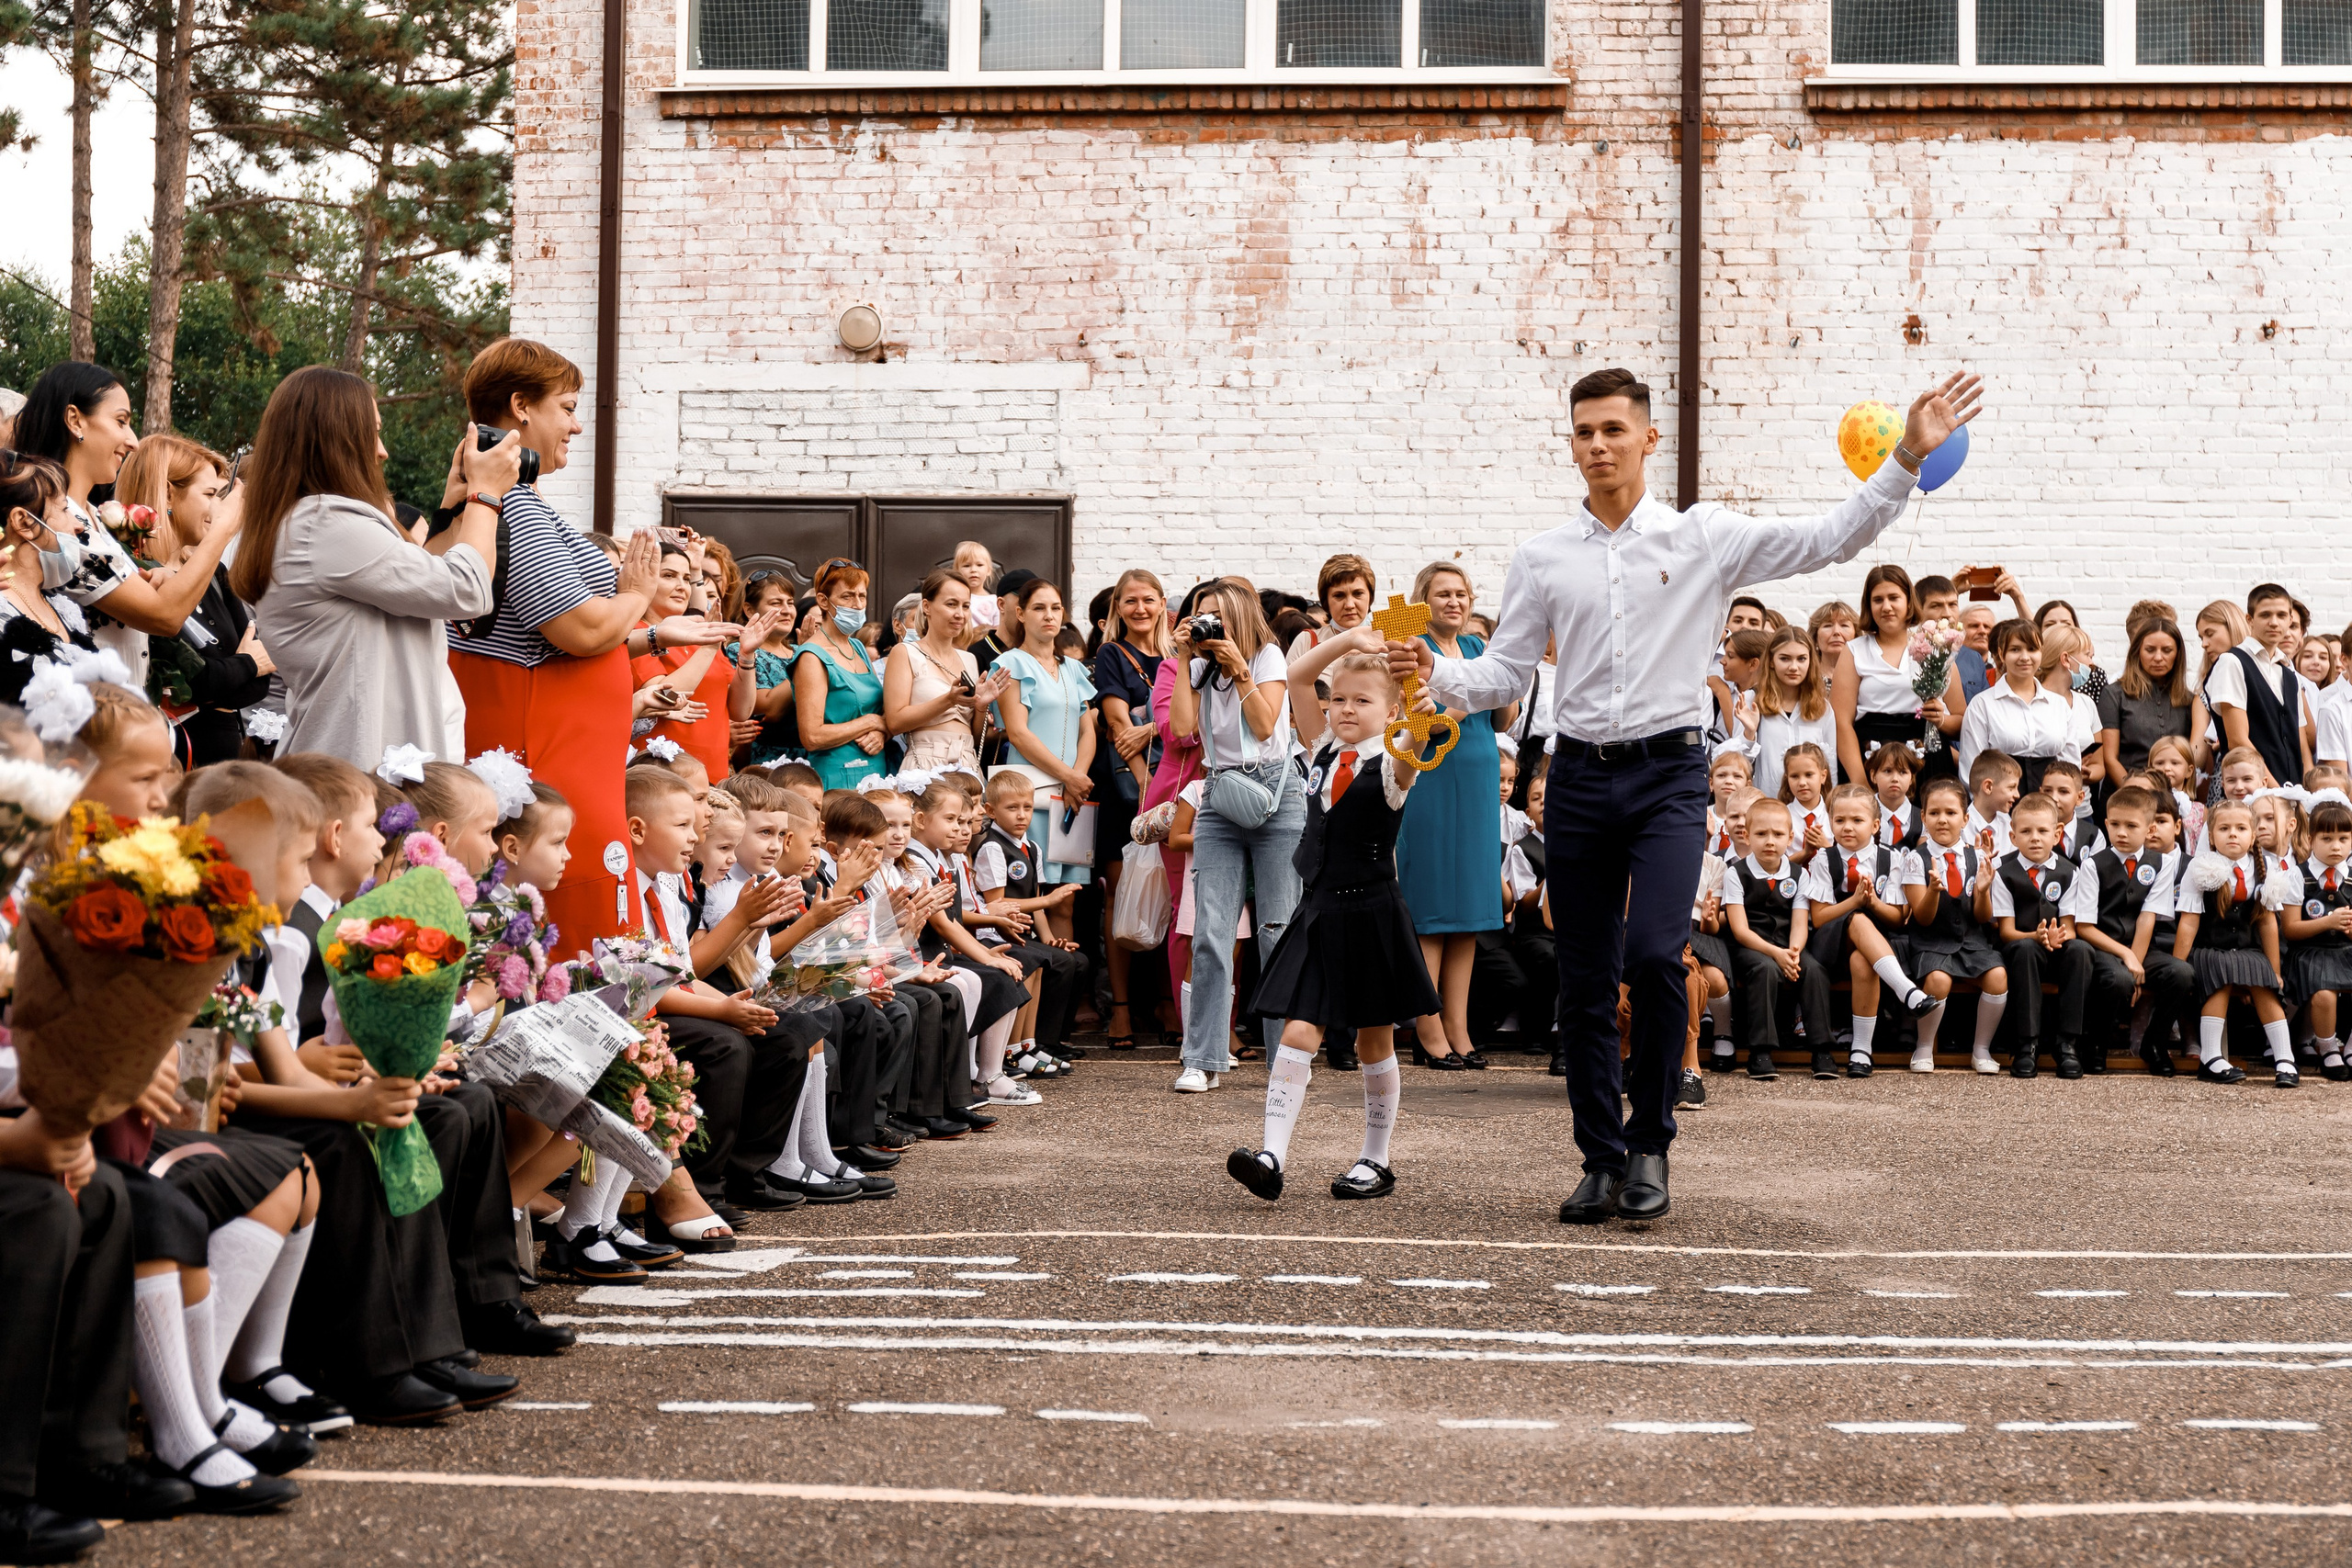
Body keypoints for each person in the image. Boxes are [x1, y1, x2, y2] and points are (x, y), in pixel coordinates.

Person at [1392, 365, 1980, 1224]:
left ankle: (1651, 1143)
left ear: (1648, 438)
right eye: (1584, 432)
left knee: (1656, 953)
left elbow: (1829, 538)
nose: (1598, 445)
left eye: (1613, 430)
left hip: (1668, 775)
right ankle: (1600, 1157)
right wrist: (1434, 670)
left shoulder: (1702, 535)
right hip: (1579, 777)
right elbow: (1505, 674)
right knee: (1584, 978)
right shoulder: (1542, 556)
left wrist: (1907, 460)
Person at [444, 339, 706, 953]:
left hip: (572, 763)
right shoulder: (513, 506)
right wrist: (637, 594)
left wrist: (644, 629)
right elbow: (579, 629)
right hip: (552, 764)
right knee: (579, 951)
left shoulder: (520, 502)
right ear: (520, 407)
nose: (577, 424)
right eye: (566, 407)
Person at [1227, 631, 1439, 1203]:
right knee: (1299, 1029)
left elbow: (1418, 738)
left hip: (1373, 913)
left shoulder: (1393, 765)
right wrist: (1350, 639)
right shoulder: (1320, 748)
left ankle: (1376, 1159)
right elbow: (1299, 677)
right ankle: (1271, 1156)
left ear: (1390, 712)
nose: (1346, 709)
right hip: (1320, 909)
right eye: (1339, 698)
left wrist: (1419, 708)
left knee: (1374, 1041)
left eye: (1362, 700)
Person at [232, 366, 505, 771]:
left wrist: (456, 508)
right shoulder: (325, 523)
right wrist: (487, 495)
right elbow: (466, 589)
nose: (382, 451)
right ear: (335, 442)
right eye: (372, 434)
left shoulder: (310, 522)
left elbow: (426, 585)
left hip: (352, 764)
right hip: (356, 774)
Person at [12, 361, 238, 680]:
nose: (133, 441)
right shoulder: (62, 525)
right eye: (121, 421)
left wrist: (148, 579)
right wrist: (224, 527)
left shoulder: (93, 516)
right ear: (75, 420)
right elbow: (165, 616)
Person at [1170, 578, 1302, 1093]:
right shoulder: (1198, 667)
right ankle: (1201, 1058)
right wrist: (1186, 657)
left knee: (1276, 931)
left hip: (1276, 794)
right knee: (1211, 932)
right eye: (1200, 616)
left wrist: (1239, 669)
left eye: (1216, 617)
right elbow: (1182, 728)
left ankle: (1284, 1061)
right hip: (1221, 794)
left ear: (1240, 618)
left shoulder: (1267, 657)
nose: (1207, 626)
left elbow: (1265, 726)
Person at [1396, 561, 1514, 1069]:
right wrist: (1473, 695)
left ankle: (1458, 1029)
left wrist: (1508, 682)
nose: (1455, 602)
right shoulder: (1410, 648)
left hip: (1479, 787)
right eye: (1444, 593)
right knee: (1432, 913)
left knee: (1468, 917)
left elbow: (1503, 716)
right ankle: (1427, 1029)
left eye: (1462, 594)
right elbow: (1424, 720)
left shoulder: (1477, 648)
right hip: (1431, 783)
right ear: (1424, 600)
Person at [119, 435, 273, 767]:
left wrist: (226, 676)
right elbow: (193, 681)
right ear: (168, 494)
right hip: (165, 762)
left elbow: (260, 682)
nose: (220, 509)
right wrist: (245, 664)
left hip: (223, 759)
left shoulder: (214, 573)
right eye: (210, 495)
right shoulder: (132, 575)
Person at [1091, 569, 1170, 1047]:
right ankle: (1121, 1008)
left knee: (1171, 894)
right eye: (1130, 601)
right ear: (1117, 608)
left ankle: (1165, 1001)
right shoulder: (1111, 655)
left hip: (1177, 787)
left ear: (1163, 604)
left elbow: (1192, 720)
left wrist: (1154, 729)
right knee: (1121, 895)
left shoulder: (1181, 654)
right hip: (1133, 791)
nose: (1140, 609)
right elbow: (1120, 727)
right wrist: (1147, 787)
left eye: (1148, 600)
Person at [2176, 797, 2296, 1086]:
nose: (2232, 834)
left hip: (2245, 949)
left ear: (2252, 836)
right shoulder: (2200, 867)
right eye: (2224, 828)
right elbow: (2189, 921)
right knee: (2221, 975)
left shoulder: (2265, 869)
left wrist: (2275, 971)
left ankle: (2285, 1057)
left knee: (2264, 982)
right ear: (2211, 837)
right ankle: (2211, 1057)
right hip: (2210, 948)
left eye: (2241, 828)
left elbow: (2267, 923)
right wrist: (2177, 965)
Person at [2080, 784, 2198, 1077]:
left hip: (2143, 947)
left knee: (2181, 973)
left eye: (2131, 826)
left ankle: (2154, 1044)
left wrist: (2136, 962)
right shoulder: (2093, 865)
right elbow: (2084, 926)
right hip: (2104, 946)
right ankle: (2096, 1044)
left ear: (2148, 829)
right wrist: (2127, 958)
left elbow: (2147, 917)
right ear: (2106, 824)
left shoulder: (2162, 864)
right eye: (2115, 824)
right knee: (2118, 978)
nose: (2122, 832)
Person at [989, 577, 1099, 887]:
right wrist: (1069, 777)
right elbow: (1018, 733)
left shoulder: (1073, 668)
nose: (1049, 615)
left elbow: (1087, 732)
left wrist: (1077, 780)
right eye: (1039, 608)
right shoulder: (1010, 664)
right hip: (1028, 793)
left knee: (1067, 894)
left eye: (1055, 608)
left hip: (1071, 793)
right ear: (1020, 613)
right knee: (1030, 889)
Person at [630, 538, 770, 780]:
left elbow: (740, 711)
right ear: (647, 580)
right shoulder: (638, 634)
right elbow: (663, 697)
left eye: (686, 579)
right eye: (669, 576)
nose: (681, 586)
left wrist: (747, 656)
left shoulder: (698, 635)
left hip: (713, 772)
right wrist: (709, 648)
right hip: (663, 775)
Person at [1903, 775, 2012, 1075]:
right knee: (1939, 980)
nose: (1942, 820)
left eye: (1951, 813)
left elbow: (1982, 917)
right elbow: (1922, 918)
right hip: (1931, 942)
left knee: (1998, 976)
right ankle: (1924, 1047)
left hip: (1971, 941)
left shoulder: (1978, 858)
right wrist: (1932, 892)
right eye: (1934, 813)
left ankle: (1981, 1049)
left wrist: (1982, 891)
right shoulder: (1916, 859)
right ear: (1923, 817)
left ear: (1965, 819)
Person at [1988, 793, 2098, 1078]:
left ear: (2057, 834)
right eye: (2026, 832)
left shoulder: (2070, 872)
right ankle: (2027, 1045)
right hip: (2021, 951)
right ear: (2013, 837)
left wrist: (2057, 937)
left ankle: (2067, 1045)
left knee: (2081, 950)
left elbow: (2070, 927)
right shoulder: (2003, 873)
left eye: (2042, 831)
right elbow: (2007, 932)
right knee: (2025, 949)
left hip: (2057, 949)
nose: (2035, 838)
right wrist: (2036, 937)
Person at [1833, 563, 1964, 786]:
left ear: (1909, 602)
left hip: (1926, 757)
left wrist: (1941, 719)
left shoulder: (1935, 647)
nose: (1886, 607)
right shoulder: (1854, 651)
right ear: (1869, 605)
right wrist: (1860, 781)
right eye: (1878, 600)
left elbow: (1962, 719)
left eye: (1894, 598)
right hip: (1872, 756)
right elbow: (1841, 722)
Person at [886, 568, 998, 775]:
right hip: (925, 763)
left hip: (967, 764)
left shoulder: (969, 659)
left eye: (966, 606)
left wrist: (981, 706)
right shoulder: (905, 652)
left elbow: (974, 735)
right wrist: (948, 700)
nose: (960, 614)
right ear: (927, 607)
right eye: (951, 604)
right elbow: (895, 722)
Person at [2203, 583, 2313, 790]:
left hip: (2293, 793)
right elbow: (2237, 741)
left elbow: (2302, 746)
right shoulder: (2232, 662)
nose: (2274, 622)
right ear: (2250, 619)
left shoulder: (2290, 675)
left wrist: (2305, 793)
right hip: (2250, 794)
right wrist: (2277, 792)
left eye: (2281, 615)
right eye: (2265, 615)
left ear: (2290, 619)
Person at [793, 558, 889, 790]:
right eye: (847, 596)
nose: (857, 604)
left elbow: (880, 713)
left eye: (862, 596)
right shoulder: (812, 656)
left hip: (876, 771)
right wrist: (869, 722)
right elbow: (812, 736)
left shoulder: (857, 647)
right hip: (837, 780)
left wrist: (883, 730)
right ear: (823, 601)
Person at [1956, 619, 2080, 795]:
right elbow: (1971, 769)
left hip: (2050, 801)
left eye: (2032, 649)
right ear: (2001, 653)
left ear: (2041, 652)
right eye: (2015, 649)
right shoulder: (1982, 704)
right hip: (1999, 802)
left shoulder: (2059, 705)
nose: (2024, 657)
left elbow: (2071, 765)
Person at [2280, 797, 2352, 1080]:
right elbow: (2290, 929)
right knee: (2324, 992)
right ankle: (2328, 1047)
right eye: (2327, 838)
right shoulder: (2298, 877)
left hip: (2345, 949)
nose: (2336, 846)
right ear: (2311, 840)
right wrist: (2328, 922)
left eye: (2343, 839)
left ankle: (2350, 1047)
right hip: (2310, 951)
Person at [2098, 617, 2197, 782]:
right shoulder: (2114, 694)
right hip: (2125, 789)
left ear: (2178, 654)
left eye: (2167, 650)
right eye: (2150, 650)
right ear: (2137, 651)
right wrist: (2134, 790)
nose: (2158, 657)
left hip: (2175, 792)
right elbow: (2109, 759)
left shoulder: (2189, 700)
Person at [1746, 626, 1837, 798]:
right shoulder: (1752, 700)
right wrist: (1749, 734)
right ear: (1771, 661)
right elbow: (1739, 762)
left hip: (1809, 806)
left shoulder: (1822, 707)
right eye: (1785, 659)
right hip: (1765, 802)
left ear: (1810, 661)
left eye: (1801, 659)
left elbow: (1830, 764)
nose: (1794, 667)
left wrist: (1829, 804)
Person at [730, 570, 805, 766]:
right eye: (776, 603)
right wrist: (804, 663)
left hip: (813, 759)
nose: (787, 610)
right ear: (749, 610)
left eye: (790, 603)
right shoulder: (740, 651)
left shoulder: (800, 650)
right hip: (768, 763)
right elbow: (767, 710)